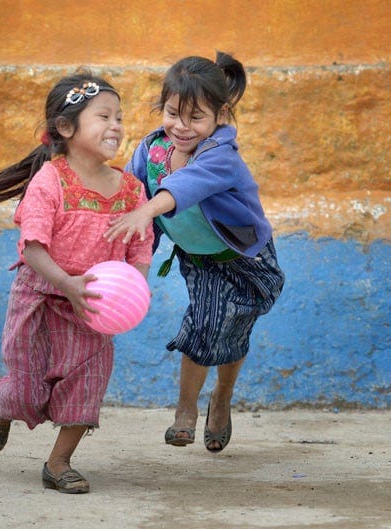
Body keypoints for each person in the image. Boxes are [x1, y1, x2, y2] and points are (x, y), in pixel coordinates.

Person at [0, 71, 154, 493]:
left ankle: (59, 462)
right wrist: (66, 283)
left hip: (92, 312)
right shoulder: (50, 181)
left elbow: (139, 251)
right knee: (27, 392)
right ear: (66, 128)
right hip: (40, 300)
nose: (116, 126)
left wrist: (133, 292)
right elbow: (32, 248)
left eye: (119, 117)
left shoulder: (131, 190)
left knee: (88, 386)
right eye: (103, 116)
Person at [104, 52, 284, 453]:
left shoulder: (221, 155)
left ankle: (221, 398)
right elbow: (132, 198)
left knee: (234, 330)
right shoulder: (150, 152)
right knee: (205, 326)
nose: (181, 127)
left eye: (195, 118)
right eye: (172, 113)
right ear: (162, 107)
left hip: (247, 259)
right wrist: (135, 268)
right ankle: (186, 411)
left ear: (220, 116)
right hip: (201, 261)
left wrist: (146, 208)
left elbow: (185, 186)